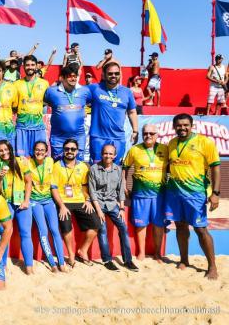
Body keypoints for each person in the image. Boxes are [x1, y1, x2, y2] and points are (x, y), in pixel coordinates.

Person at [166, 113, 221, 280]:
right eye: (179, 125)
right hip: (175, 193)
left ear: (192, 126)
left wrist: (216, 194)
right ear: (174, 127)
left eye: (185, 125)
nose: (182, 128)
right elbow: (171, 166)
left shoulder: (205, 142)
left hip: (195, 194)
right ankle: (184, 260)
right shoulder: (172, 143)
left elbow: (216, 168)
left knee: (200, 229)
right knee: (181, 226)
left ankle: (212, 267)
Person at [51, 139, 100, 267]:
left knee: (96, 224)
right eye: (67, 149)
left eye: (73, 149)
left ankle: (82, 250)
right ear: (63, 150)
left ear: (77, 151)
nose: (70, 151)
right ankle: (71, 254)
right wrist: (61, 206)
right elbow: (54, 188)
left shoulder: (83, 166)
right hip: (64, 201)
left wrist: (88, 200)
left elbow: (84, 186)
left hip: (80, 200)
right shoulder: (56, 166)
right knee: (66, 226)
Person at [89, 144, 139, 272]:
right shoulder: (94, 169)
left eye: (111, 154)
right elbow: (92, 191)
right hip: (98, 204)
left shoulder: (117, 169)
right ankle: (107, 260)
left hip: (112, 204)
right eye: (106, 153)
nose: (108, 156)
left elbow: (121, 190)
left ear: (115, 156)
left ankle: (127, 260)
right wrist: (99, 211)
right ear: (101, 154)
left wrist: (122, 208)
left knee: (123, 227)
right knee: (103, 230)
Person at [122, 124, 167, 261]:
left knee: (158, 225)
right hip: (140, 194)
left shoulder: (165, 149)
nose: (148, 136)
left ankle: (157, 253)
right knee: (141, 224)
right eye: (145, 133)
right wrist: (124, 184)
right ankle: (141, 252)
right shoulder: (134, 149)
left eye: (151, 133)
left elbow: (173, 166)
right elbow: (125, 167)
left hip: (160, 195)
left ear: (157, 134)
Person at [0, 141, 33, 273]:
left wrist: (26, 201)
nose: (4, 152)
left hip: (21, 202)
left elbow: (28, 182)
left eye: (6, 149)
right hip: (6, 203)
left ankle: (29, 267)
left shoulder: (21, 162)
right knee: (4, 233)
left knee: (25, 232)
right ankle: (2, 264)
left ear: (11, 149)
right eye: (1, 150)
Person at [88, 62, 139, 164]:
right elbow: (76, 94)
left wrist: (135, 131)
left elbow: (132, 112)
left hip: (118, 138)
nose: (113, 76)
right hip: (98, 137)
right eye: (110, 73)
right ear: (104, 74)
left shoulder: (127, 92)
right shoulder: (94, 88)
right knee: (97, 168)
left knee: (115, 169)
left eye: (116, 73)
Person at [27, 141, 67, 272]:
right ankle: (52, 264)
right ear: (33, 151)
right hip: (35, 201)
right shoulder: (27, 163)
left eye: (42, 150)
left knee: (55, 230)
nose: (39, 152)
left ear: (46, 152)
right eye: (37, 150)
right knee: (43, 230)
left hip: (48, 200)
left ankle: (61, 262)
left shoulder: (50, 162)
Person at [44, 65, 91, 160]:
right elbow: (45, 102)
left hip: (78, 136)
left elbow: (90, 102)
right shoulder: (51, 92)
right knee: (58, 166)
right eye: (70, 76)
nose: (73, 78)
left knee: (79, 167)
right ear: (63, 78)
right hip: (58, 137)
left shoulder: (85, 91)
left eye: (75, 76)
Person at [14, 55, 49, 157]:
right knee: (22, 158)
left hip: (38, 126)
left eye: (32, 65)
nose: (30, 67)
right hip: (22, 127)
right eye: (27, 65)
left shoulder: (44, 83)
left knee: (39, 156)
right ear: (23, 66)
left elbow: (50, 101)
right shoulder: (16, 84)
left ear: (36, 66)